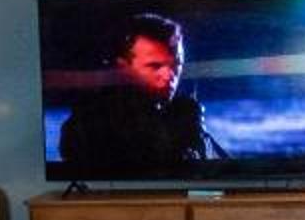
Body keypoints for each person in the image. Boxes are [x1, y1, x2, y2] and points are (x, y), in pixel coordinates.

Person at [56, 12, 221, 175]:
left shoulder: (182, 115)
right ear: (123, 68)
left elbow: (218, 172)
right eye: (154, 66)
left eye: (176, 64)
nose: (169, 75)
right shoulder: (91, 125)